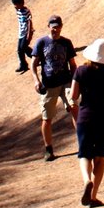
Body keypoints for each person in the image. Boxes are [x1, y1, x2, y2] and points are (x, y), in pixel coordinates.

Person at [69, 38, 104, 207]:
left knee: (85, 155)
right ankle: (92, 197)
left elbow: (74, 97)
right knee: (100, 158)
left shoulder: (81, 71)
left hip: (86, 117)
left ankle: (86, 180)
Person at [30, 15, 77, 161]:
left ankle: (84, 141)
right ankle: (48, 149)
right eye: (53, 26)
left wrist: (75, 81)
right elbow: (33, 64)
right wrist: (36, 81)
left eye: (58, 26)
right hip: (49, 85)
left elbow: (73, 64)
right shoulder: (41, 43)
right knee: (47, 118)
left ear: (61, 27)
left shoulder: (66, 42)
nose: (55, 29)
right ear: (48, 26)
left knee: (74, 107)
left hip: (66, 82)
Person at [12, 0, 34, 73]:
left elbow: (29, 22)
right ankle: (23, 65)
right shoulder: (18, 11)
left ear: (21, 4)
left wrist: (29, 34)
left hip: (26, 33)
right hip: (21, 33)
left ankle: (36, 57)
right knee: (20, 50)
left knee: (23, 47)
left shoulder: (26, 11)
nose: (14, 6)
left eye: (16, 4)